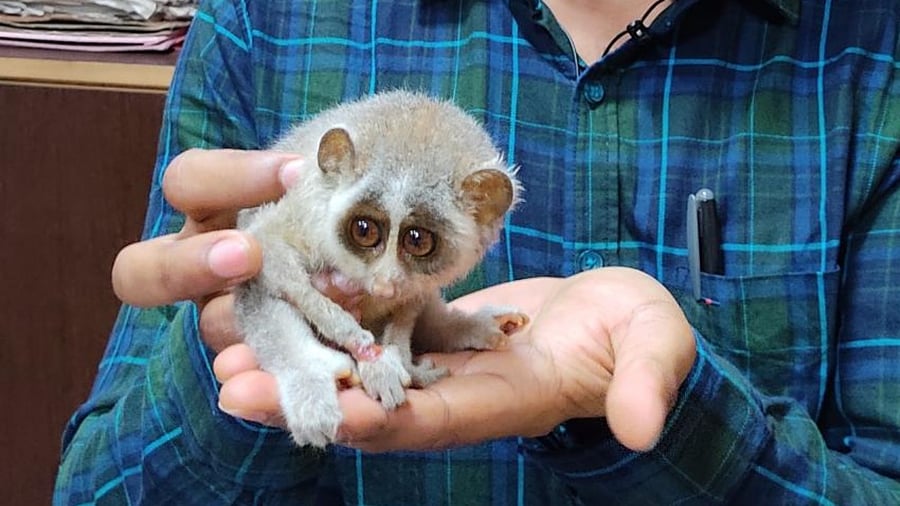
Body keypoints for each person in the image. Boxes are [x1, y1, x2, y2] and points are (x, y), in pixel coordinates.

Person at [54, 0, 900, 504]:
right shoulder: (272, 25)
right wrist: (234, 351)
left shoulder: (872, 55)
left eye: (417, 245)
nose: (386, 273)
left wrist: (688, 425)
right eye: (373, 238)